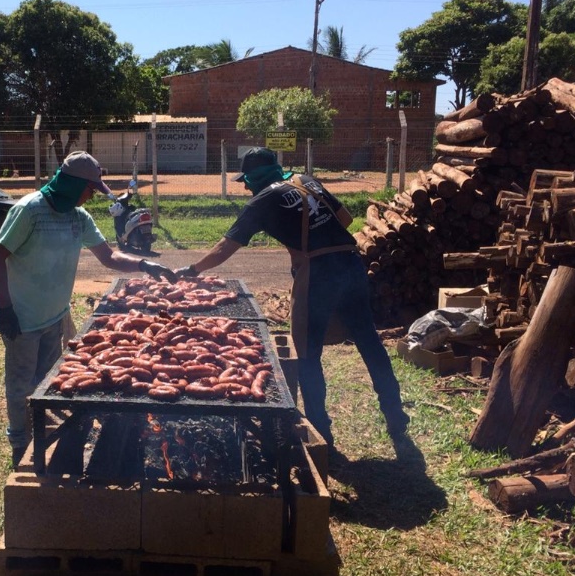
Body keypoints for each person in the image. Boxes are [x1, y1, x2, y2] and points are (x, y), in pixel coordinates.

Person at [174, 147, 408, 446]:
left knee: (308, 354)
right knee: (368, 340)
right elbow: (346, 219)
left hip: (318, 273)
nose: (244, 186)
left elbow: (225, 247)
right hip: (350, 263)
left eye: (246, 180)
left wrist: (192, 269)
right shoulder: (306, 180)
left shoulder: (261, 201)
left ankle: (320, 430)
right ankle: (395, 413)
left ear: (255, 178)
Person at [0, 151, 176, 467]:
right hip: (21, 318)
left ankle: (41, 431)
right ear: (72, 184)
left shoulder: (79, 217)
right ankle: (20, 443)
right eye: (90, 189)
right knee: (21, 384)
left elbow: (110, 257)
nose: (92, 196)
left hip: (54, 315)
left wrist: (145, 264)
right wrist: (6, 308)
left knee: (45, 381)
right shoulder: (29, 210)